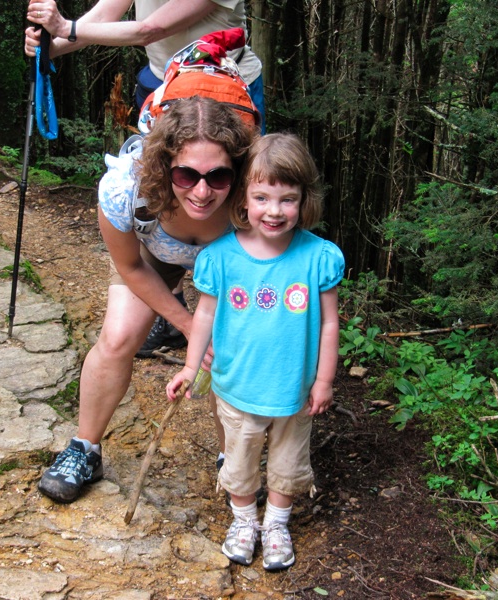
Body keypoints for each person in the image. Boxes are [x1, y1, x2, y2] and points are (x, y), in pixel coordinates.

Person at [37, 96, 256, 504]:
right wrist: (190, 325)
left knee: (227, 351)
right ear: (164, 163)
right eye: (187, 175)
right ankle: (84, 448)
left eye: (218, 176)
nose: (203, 191)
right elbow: (131, 267)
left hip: (232, 264)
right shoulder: (126, 188)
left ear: (237, 169)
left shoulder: (254, 190)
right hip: (153, 256)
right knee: (119, 338)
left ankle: (235, 464)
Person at [25, 0, 266, 355]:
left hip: (228, 92)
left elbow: (149, 29)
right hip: (164, 85)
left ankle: (231, 318)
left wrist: (65, 28)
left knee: (217, 191)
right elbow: (100, 18)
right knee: (167, 186)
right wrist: (51, 47)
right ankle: (173, 313)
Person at [166, 133, 345, 570]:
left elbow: (328, 322)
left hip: (296, 391)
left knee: (288, 462)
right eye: (262, 196)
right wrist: (191, 366)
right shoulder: (221, 258)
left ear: (305, 200)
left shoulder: (319, 257)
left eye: (287, 199)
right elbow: (204, 316)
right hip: (237, 385)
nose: (274, 210)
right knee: (241, 460)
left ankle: (277, 523)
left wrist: (323, 380)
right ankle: (245, 520)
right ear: (243, 197)